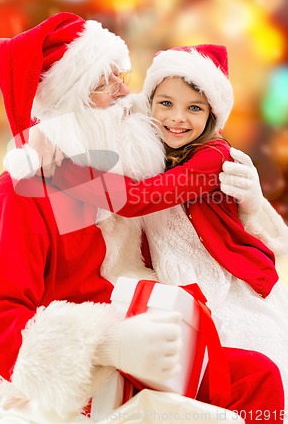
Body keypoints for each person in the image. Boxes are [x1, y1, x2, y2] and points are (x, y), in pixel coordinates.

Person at [0, 14, 285, 423]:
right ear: (70, 101)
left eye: (121, 75)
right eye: (104, 83)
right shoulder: (22, 193)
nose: (124, 91)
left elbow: (206, 231)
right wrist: (108, 344)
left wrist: (253, 206)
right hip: (82, 377)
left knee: (258, 377)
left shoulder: (131, 166)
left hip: (156, 346)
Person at [50, 43, 288, 413]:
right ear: (150, 103)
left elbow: (143, 198)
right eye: (166, 104)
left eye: (194, 108)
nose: (177, 118)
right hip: (176, 284)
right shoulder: (151, 144)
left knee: (240, 381)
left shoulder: (213, 157)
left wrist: (76, 176)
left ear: (211, 116)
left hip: (227, 284)